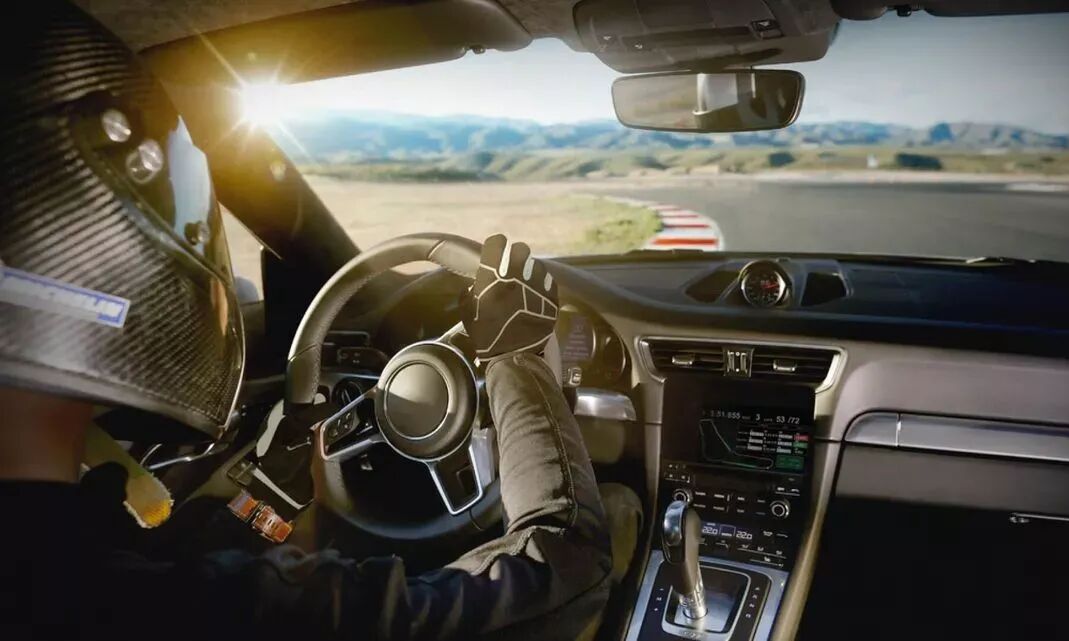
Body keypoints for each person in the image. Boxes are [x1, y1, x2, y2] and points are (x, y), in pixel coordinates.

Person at [0, 3, 634, 639]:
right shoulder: (189, 608)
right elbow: (566, 574)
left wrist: (271, 490)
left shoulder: (79, 571)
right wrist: (513, 360)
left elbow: (173, 565)